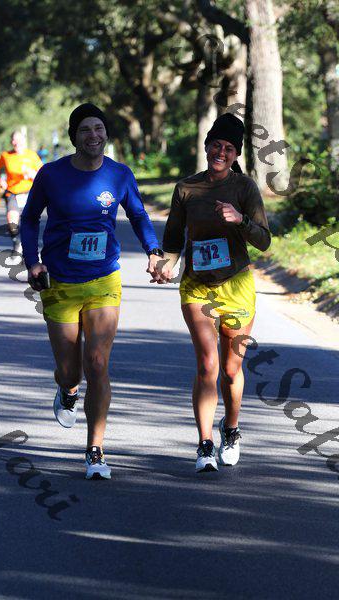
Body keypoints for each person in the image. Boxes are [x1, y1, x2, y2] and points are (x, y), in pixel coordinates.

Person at [20, 103, 162, 480]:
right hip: (60, 282)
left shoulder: (119, 174)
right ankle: (67, 391)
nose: (93, 135)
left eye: (99, 128)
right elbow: (29, 218)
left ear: (106, 134)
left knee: (97, 363)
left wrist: (153, 250)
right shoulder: (51, 175)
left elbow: (138, 215)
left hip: (103, 280)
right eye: (85, 129)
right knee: (70, 371)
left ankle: (95, 450)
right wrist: (33, 261)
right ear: (74, 136)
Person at [154, 113, 271, 473]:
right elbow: (173, 238)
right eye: (216, 145)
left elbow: (264, 241)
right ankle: (204, 444)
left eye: (229, 148)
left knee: (231, 371)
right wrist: (166, 264)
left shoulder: (245, 188)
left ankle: (230, 430)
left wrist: (241, 220)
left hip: (236, 285)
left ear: (236, 155)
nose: (221, 152)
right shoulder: (186, 189)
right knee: (208, 364)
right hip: (197, 286)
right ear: (206, 147)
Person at [0, 131, 42, 262]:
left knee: (30, 222)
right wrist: (1, 179)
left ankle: (30, 251)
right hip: (12, 192)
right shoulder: (6, 156)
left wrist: (33, 174)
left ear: (24, 140)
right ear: (11, 142)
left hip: (30, 192)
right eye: (14, 140)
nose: (16, 143)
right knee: (12, 222)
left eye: (19, 140)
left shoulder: (32, 156)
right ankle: (17, 243)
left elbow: (42, 172)